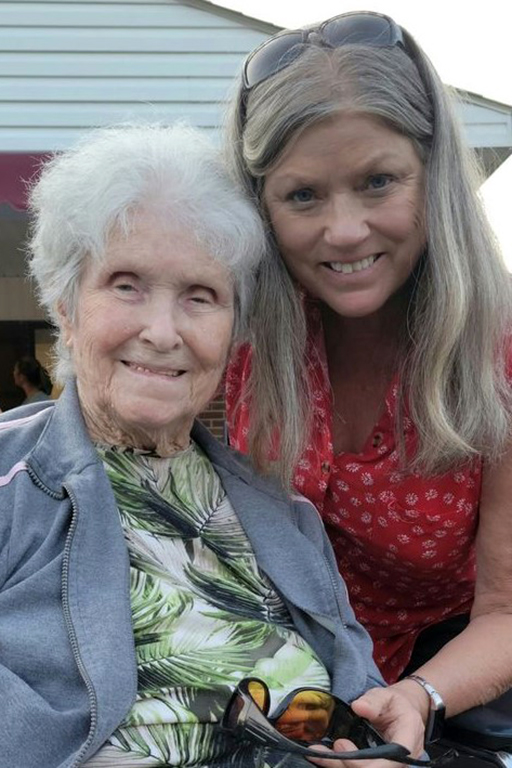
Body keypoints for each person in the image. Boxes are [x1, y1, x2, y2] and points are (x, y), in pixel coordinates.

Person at [0, 123, 426, 768]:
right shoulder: (13, 479)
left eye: (201, 296)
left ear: (234, 330)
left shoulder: (287, 518)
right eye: (126, 285)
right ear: (65, 303)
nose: (163, 331)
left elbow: (361, 702)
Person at [224, 9, 512, 745]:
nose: (345, 230)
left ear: (434, 176)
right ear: (260, 204)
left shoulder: (500, 356)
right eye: (303, 196)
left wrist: (418, 698)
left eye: (378, 182)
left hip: (447, 675)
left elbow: (505, 610)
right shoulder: (224, 337)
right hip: (255, 679)